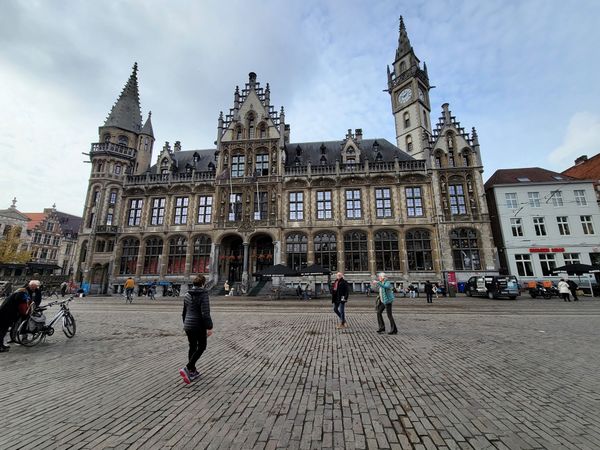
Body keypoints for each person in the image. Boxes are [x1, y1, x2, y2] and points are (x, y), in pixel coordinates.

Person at [180, 275, 213, 384]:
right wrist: (209, 327)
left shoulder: (187, 294)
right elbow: (205, 313)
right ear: (203, 284)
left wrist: (185, 324)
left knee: (192, 347)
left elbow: (184, 312)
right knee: (202, 346)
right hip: (198, 325)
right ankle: (188, 367)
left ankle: (192, 371)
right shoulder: (203, 295)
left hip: (188, 325)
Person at [0, 280, 39, 352]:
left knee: (3, 330)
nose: (35, 289)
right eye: (34, 287)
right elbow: (21, 303)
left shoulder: (20, 291)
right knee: (2, 330)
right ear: (30, 286)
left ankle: (1, 345)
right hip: (6, 313)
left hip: (5, 312)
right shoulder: (22, 293)